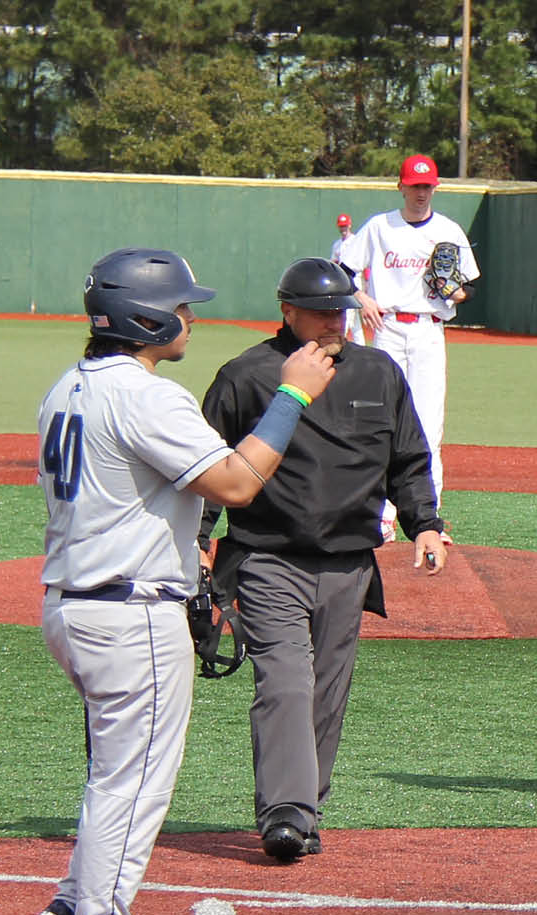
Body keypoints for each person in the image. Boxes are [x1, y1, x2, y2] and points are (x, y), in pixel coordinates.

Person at [25, 248, 335, 915]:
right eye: (182, 307)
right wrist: (290, 398)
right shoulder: (147, 396)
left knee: (113, 773)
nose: (191, 317)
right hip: (128, 614)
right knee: (132, 785)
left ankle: (71, 911)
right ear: (147, 316)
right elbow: (235, 482)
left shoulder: (66, 386)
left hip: (76, 604)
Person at [199, 258, 447, 862]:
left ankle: (306, 807)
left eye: (340, 310)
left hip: (349, 562)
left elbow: (407, 460)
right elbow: (205, 465)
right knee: (284, 679)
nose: (333, 321)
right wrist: (197, 547)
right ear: (287, 311)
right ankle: (284, 813)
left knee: (326, 693)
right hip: (266, 559)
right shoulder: (248, 375)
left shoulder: (377, 372)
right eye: (319, 311)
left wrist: (426, 524)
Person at [342, 153, 479, 538]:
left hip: (429, 330)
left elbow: (468, 285)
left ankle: (428, 518)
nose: (421, 192)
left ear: (435, 187)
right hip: (387, 328)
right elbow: (343, 271)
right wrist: (362, 298)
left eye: (427, 186)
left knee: (428, 424)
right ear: (400, 186)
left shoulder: (449, 229)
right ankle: (381, 515)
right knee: (379, 420)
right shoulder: (379, 227)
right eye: (415, 185)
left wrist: (455, 292)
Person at [330, 212, 364, 345]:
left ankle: (340, 342)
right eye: (341, 226)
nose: (343, 229)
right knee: (355, 322)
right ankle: (360, 346)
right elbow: (333, 262)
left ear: (350, 225)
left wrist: (365, 285)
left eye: (345, 226)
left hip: (355, 283)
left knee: (348, 315)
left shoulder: (356, 241)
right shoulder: (337, 244)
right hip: (342, 283)